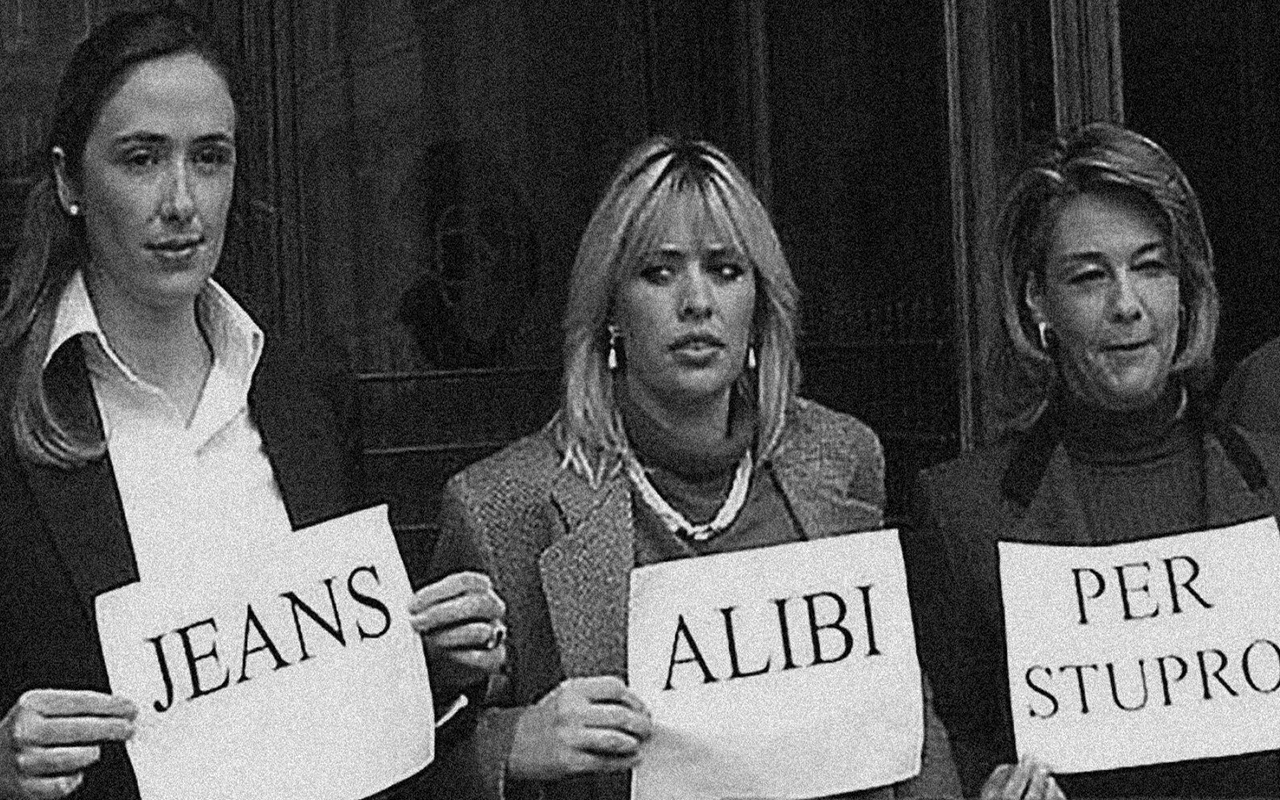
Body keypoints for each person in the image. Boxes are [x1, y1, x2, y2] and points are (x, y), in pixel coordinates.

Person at [0, 8, 503, 799]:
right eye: (140, 159)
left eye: (210, 158)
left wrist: (435, 662)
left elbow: (353, 690)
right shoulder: (13, 414)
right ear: (68, 181)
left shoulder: (305, 393)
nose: (181, 201)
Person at [426, 135, 961, 800]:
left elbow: (906, 721)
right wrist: (510, 746)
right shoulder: (504, 505)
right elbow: (416, 764)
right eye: (659, 272)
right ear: (611, 313)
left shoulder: (843, 457)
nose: (697, 302)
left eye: (726, 270)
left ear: (761, 305)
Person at [905, 121, 1280, 798]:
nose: (1127, 305)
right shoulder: (963, 516)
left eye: (1151, 266)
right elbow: (948, 751)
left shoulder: (1274, 484)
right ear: (1036, 300)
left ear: (1186, 286)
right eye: (1088, 277)